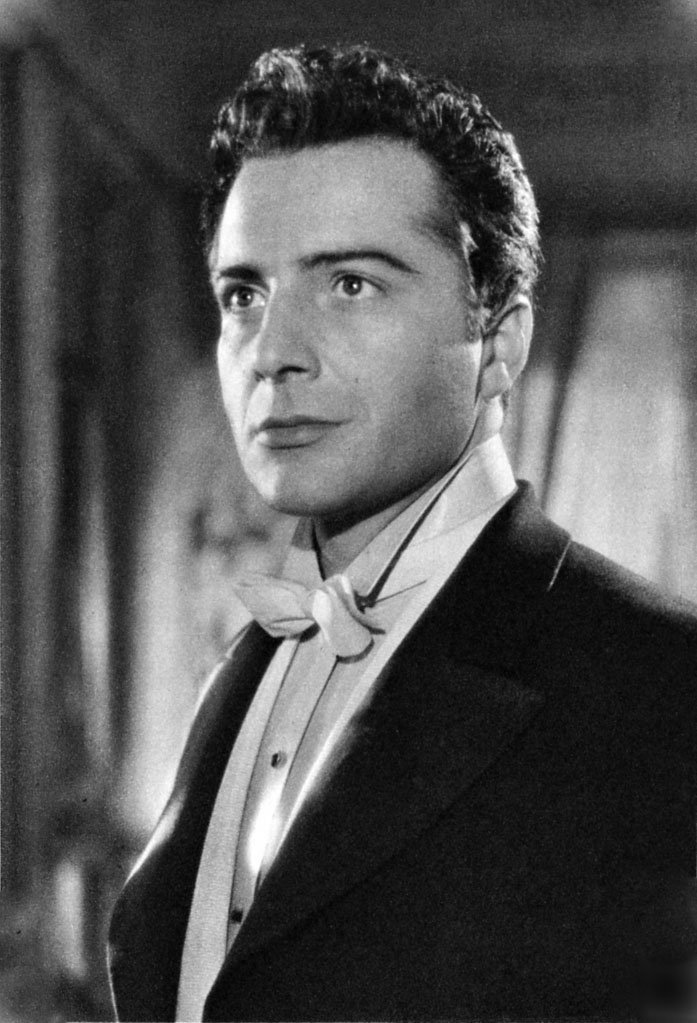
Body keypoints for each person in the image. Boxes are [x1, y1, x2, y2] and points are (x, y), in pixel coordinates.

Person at [108, 44, 697, 1021]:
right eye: (243, 294)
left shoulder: (662, 688)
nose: (273, 353)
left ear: (497, 342)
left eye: (350, 284)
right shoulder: (236, 680)